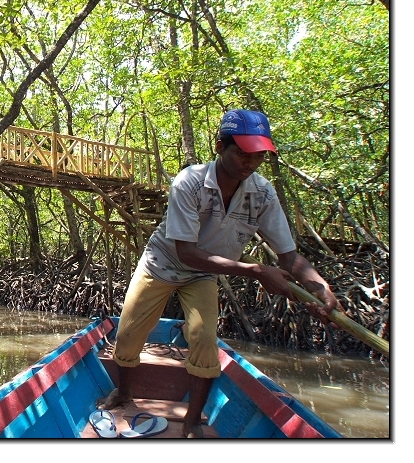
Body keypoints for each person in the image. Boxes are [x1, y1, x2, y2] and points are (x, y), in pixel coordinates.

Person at [98, 109, 340, 438]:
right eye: (242, 152)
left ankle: (193, 420)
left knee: (203, 338)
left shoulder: (264, 194)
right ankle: (123, 391)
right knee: (128, 333)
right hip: (163, 261)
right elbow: (186, 251)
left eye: (259, 155)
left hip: (203, 274)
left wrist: (320, 287)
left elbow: (289, 256)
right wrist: (255, 271)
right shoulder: (190, 182)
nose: (251, 162)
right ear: (219, 147)